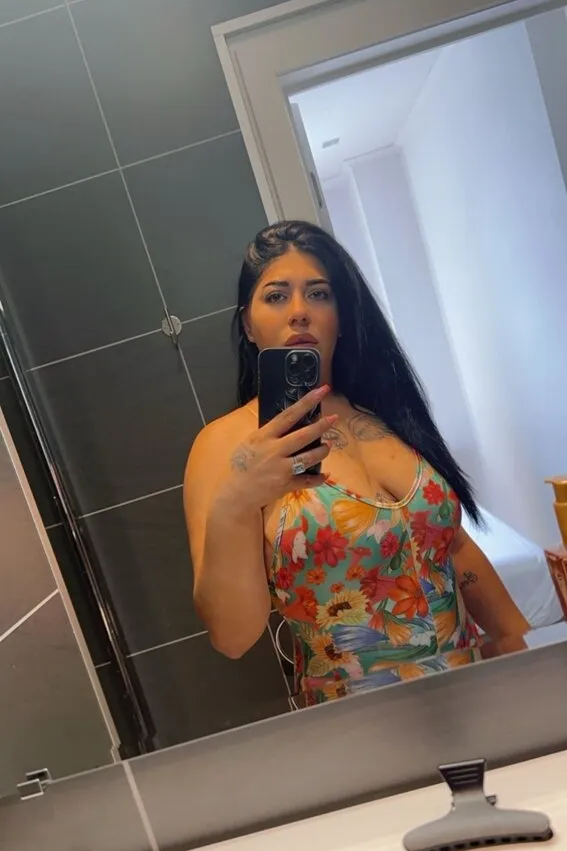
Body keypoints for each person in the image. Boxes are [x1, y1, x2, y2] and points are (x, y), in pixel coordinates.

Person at [184, 221, 530, 705]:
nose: (300, 311)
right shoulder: (224, 445)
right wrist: (238, 500)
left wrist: (520, 649)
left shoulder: (387, 414)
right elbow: (232, 636)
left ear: (341, 316)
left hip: (474, 695)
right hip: (357, 721)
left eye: (319, 294)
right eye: (277, 296)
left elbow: (451, 545)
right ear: (248, 324)